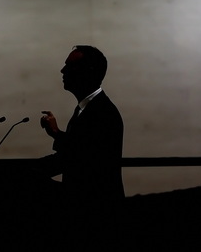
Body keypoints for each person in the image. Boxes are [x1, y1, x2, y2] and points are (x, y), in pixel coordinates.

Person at [39, 45, 125, 251]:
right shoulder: (88, 109)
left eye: (70, 66)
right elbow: (82, 149)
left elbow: (81, 158)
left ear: (89, 72)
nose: (62, 71)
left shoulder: (102, 113)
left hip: (96, 215)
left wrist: (57, 135)